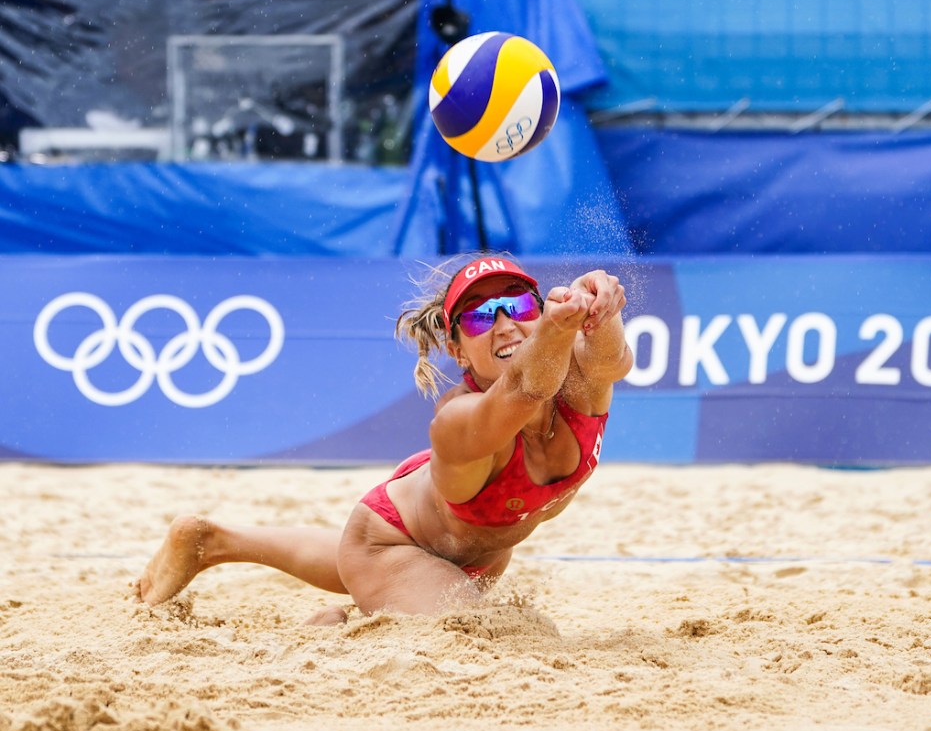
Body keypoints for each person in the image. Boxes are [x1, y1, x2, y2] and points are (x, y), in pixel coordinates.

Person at [135, 254, 632, 621]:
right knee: (467, 629)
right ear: (458, 352)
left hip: (464, 543)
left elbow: (611, 359)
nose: (503, 323)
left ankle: (213, 542)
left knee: (408, 576)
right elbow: (524, 387)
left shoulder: (578, 384)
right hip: (389, 539)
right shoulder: (456, 421)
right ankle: (337, 627)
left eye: (517, 304)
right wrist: (553, 326)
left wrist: (601, 310)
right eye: (481, 316)